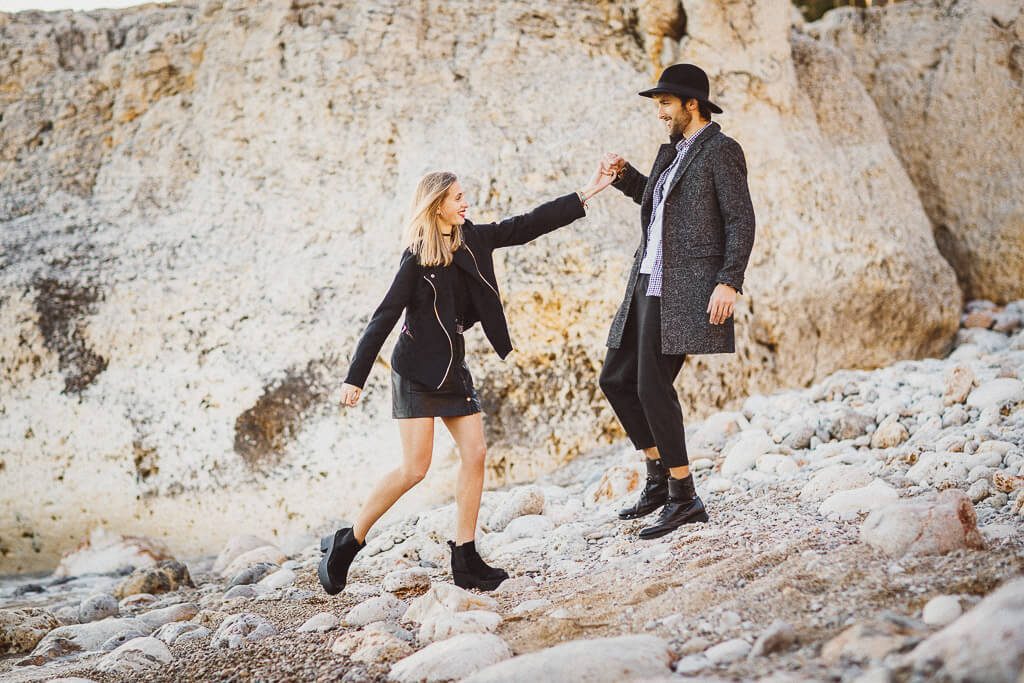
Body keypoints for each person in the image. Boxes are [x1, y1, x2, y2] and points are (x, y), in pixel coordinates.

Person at [318, 169, 614, 594]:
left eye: (463, 196)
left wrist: (589, 190)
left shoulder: (473, 239)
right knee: (414, 469)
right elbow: (383, 317)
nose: (464, 202)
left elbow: (528, 225)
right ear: (437, 204)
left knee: (475, 454)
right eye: (457, 197)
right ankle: (349, 541)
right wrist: (355, 378)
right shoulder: (416, 258)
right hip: (416, 373)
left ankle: (465, 555)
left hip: (454, 369)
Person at [598, 63, 755, 540]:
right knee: (616, 379)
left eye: (665, 103)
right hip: (647, 281)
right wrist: (627, 178)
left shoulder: (722, 152)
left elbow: (741, 220)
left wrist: (729, 281)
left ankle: (684, 497)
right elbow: (659, 203)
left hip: (684, 290)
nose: (659, 112)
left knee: (652, 387)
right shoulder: (672, 151)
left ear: (692, 104)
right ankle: (657, 478)